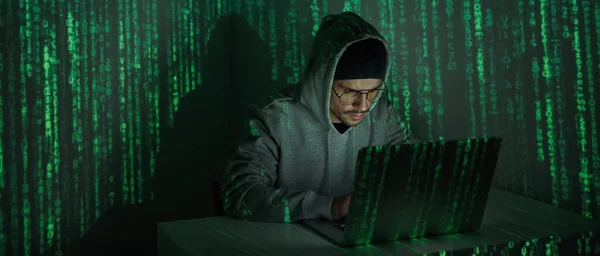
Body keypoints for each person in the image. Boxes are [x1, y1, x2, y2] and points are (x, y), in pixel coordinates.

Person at [220, 12, 417, 223]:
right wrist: (329, 207)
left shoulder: (381, 113)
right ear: (321, 80)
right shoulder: (275, 117)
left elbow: (416, 165)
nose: (363, 105)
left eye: (373, 92)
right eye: (349, 92)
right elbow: (240, 194)